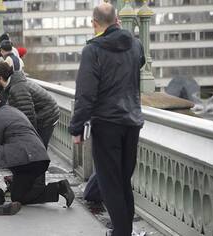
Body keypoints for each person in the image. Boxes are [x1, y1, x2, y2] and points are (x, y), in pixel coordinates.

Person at [69, 3, 145, 236]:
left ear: (94, 22)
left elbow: (86, 92)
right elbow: (140, 61)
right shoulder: (135, 43)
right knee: (123, 181)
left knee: (110, 183)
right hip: (132, 121)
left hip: (106, 122)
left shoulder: (93, 50)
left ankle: (121, 233)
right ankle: (124, 231)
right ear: (117, 21)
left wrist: (77, 127)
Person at [0, 91, 74, 207]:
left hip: (26, 158)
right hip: (40, 158)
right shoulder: (14, 111)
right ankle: (59, 188)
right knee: (18, 197)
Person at [0, 62, 60, 149]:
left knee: (38, 148)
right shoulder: (14, 83)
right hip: (45, 113)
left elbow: (28, 116)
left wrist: (28, 137)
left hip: (47, 116)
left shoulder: (17, 89)